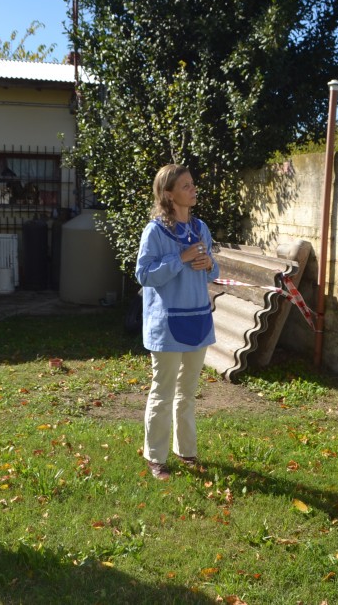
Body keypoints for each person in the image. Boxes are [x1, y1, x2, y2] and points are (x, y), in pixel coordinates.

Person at [135, 164, 219, 480]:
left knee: (188, 392)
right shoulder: (155, 232)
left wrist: (209, 263)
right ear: (168, 195)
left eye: (192, 184)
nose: (193, 189)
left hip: (198, 319)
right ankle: (156, 456)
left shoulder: (201, 229)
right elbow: (143, 275)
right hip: (166, 325)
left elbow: (213, 272)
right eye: (186, 186)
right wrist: (179, 259)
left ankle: (187, 452)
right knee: (163, 391)